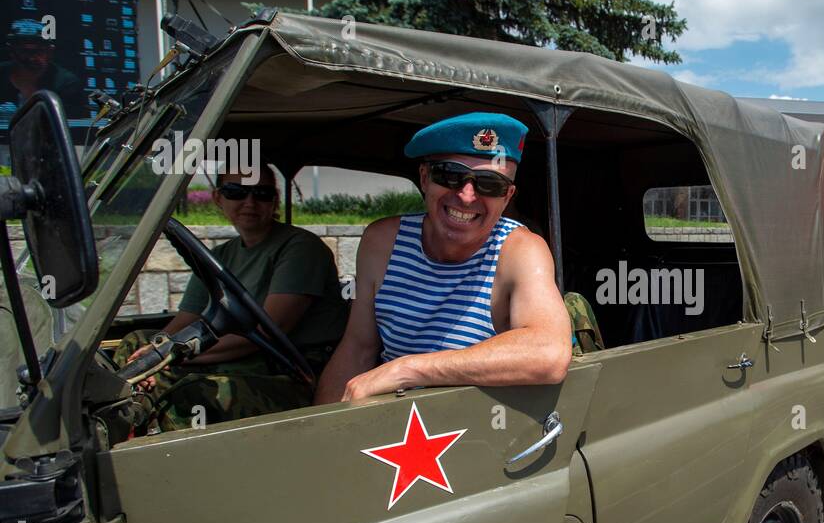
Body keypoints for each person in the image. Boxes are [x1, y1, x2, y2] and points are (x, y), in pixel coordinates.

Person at [314, 112, 571, 403]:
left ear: (507, 196)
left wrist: (407, 369)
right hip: (394, 422)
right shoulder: (383, 242)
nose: (466, 196)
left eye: (490, 184)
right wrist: (320, 426)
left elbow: (548, 352)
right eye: (450, 175)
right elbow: (357, 348)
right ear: (425, 178)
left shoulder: (518, 249)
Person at [114, 167, 349, 431]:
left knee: (188, 392)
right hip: (243, 358)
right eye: (236, 192)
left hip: (291, 369)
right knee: (136, 342)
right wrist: (154, 350)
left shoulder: (300, 248)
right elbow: (187, 318)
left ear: (274, 200)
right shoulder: (220, 256)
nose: (250, 202)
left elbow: (269, 331)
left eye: (261, 193)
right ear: (218, 198)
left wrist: (170, 356)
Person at [0, 18, 84, 123]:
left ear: (50, 52)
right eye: (25, 51)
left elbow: (70, 125)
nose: (32, 58)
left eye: (39, 51)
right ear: (11, 51)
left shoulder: (66, 84)